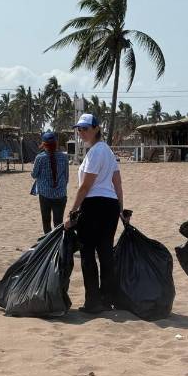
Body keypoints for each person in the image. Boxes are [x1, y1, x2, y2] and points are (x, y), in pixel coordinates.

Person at [64, 114, 127, 314]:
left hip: (93, 205)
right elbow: (117, 182)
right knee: (106, 252)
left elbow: (85, 186)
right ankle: (107, 299)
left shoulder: (96, 153)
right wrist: (121, 208)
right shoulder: (107, 151)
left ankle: (93, 302)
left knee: (88, 253)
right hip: (109, 206)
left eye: (85, 129)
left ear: (96, 128)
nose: (81, 132)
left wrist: (72, 211)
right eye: (79, 129)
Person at [31, 131, 69, 234]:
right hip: (60, 195)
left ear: (44, 144)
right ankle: (58, 245)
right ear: (56, 144)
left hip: (45, 195)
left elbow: (34, 175)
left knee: (46, 222)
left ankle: (47, 244)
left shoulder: (40, 158)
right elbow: (66, 177)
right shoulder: (64, 157)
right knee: (58, 223)